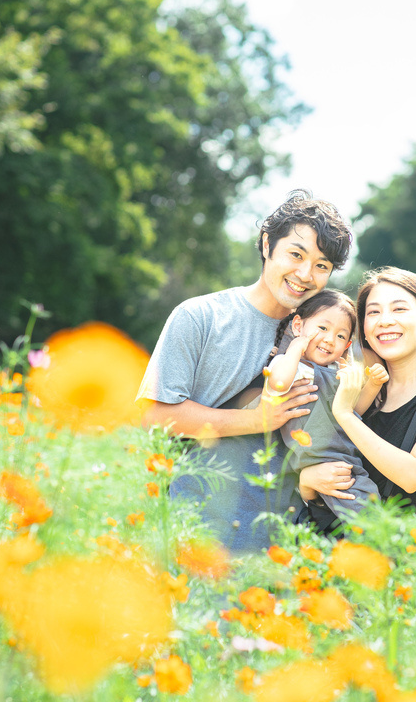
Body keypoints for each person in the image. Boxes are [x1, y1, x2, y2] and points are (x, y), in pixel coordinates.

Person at [137, 190, 352, 552]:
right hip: (200, 535)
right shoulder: (200, 317)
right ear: (267, 245)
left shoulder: (331, 338)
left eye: (321, 265)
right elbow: (154, 416)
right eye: (296, 254)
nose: (305, 274)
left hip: (286, 547)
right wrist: (257, 420)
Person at [298, 267, 416, 510]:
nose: (385, 321)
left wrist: (345, 414)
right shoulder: (356, 386)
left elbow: (413, 476)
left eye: (399, 309)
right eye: (373, 312)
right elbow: (317, 454)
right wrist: (306, 482)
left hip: (391, 533)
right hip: (324, 532)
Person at [226, 290, 387, 533]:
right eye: (322, 328)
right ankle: (381, 542)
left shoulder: (338, 371)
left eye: (340, 335)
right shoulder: (290, 365)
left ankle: (366, 544)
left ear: (347, 345)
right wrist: (295, 348)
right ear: (298, 325)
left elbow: (353, 411)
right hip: (319, 458)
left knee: (362, 500)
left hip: (347, 455)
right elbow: (279, 384)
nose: (330, 339)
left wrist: (373, 385)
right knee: (362, 509)